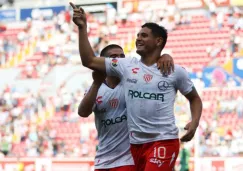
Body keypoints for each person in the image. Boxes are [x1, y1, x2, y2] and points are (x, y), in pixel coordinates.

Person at [70, 3, 202, 171]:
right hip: (136, 146)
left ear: (158, 41)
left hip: (163, 140)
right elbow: (89, 60)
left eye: (144, 35)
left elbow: (194, 98)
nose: (138, 38)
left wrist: (195, 122)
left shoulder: (175, 71)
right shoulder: (127, 68)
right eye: (138, 35)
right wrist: (82, 28)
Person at [78, 44, 174, 171]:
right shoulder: (96, 88)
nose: (119, 60)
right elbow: (83, 112)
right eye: (114, 57)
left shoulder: (134, 82)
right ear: (104, 62)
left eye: (122, 56)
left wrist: (165, 56)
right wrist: (96, 83)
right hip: (102, 160)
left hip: (128, 160)